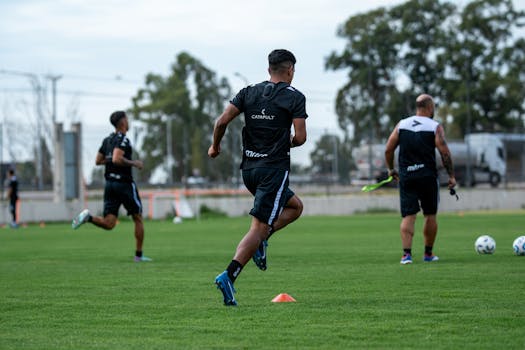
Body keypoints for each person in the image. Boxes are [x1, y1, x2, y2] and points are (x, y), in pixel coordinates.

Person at [208, 49, 307, 306]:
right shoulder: (294, 97)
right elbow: (301, 137)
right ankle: (229, 275)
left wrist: (215, 147)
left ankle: (261, 241)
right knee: (258, 227)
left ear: (268, 70)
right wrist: (288, 143)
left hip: (249, 171)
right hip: (273, 170)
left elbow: (220, 122)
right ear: (290, 71)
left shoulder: (248, 92)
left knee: (295, 206)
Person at [385, 94, 456, 264]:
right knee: (430, 215)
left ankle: (406, 255)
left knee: (409, 216)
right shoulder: (435, 126)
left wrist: (391, 169)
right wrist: (451, 176)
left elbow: (388, 149)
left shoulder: (402, 125)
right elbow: (444, 152)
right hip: (427, 177)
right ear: (430, 108)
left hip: (407, 177)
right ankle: (428, 254)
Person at [72, 111, 152, 262]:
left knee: (109, 223)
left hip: (110, 184)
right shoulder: (123, 140)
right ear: (122, 122)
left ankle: (88, 218)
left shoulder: (107, 140)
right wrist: (133, 162)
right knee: (138, 217)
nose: (128, 122)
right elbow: (116, 158)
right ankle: (139, 256)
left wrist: (111, 159)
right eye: (127, 120)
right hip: (124, 184)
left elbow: (98, 161)